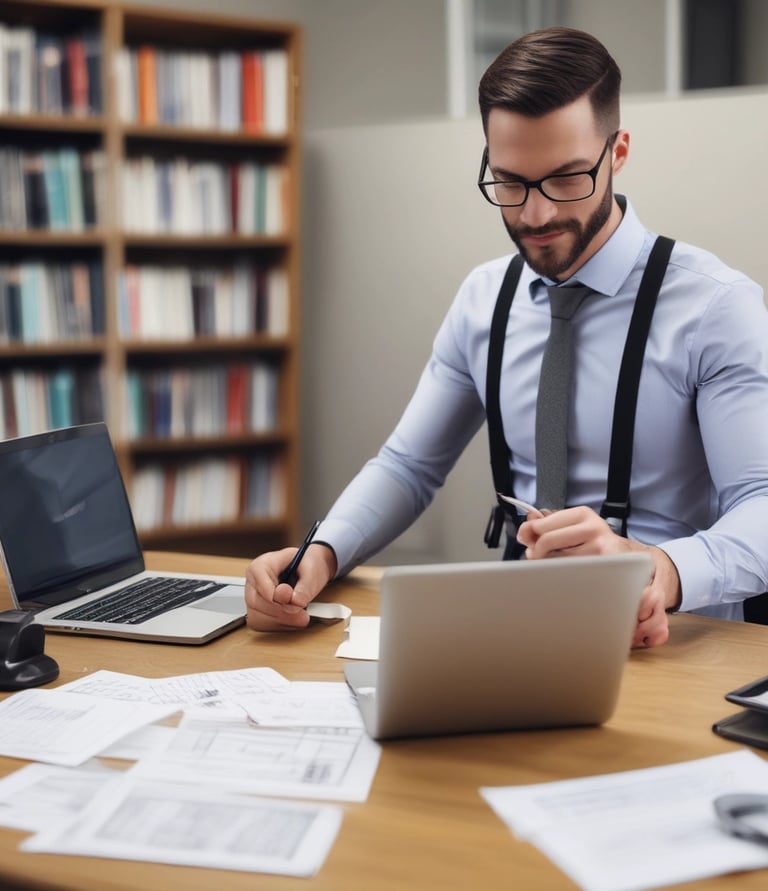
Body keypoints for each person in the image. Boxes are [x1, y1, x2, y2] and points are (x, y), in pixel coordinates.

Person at [245, 26, 768, 646]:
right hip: (520, 631)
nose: (535, 214)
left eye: (567, 178)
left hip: (676, 643)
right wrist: (323, 552)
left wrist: (663, 570)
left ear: (618, 152)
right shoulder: (484, 298)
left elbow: (761, 501)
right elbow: (408, 466)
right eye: (510, 182)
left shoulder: (715, 307)